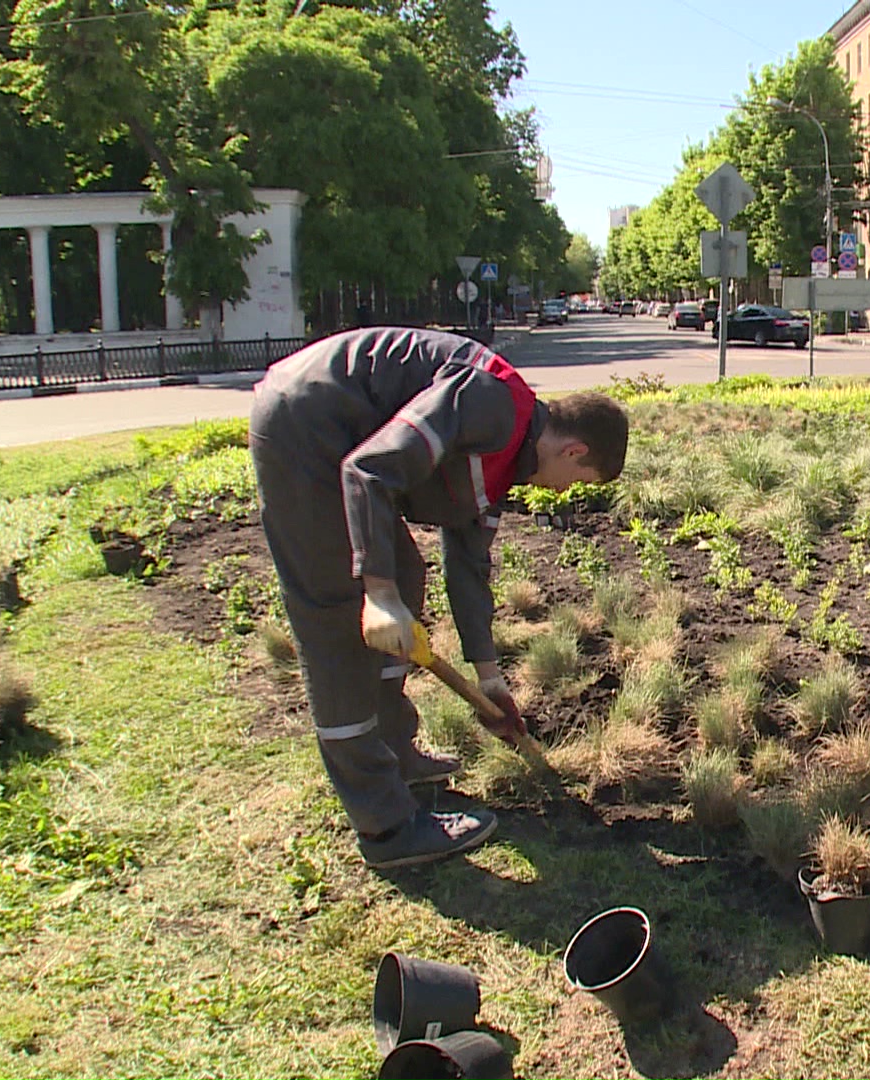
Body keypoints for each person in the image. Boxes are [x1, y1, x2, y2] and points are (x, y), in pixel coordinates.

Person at [249, 327, 630, 869]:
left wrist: (489, 678)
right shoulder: (489, 404)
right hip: (304, 424)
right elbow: (369, 470)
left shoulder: (508, 462)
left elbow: (469, 569)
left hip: (337, 435)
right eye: (578, 478)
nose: (565, 491)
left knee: (407, 575)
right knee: (337, 616)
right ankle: (387, 828)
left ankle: (395, 755)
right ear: (574, 449)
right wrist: (376, 594)